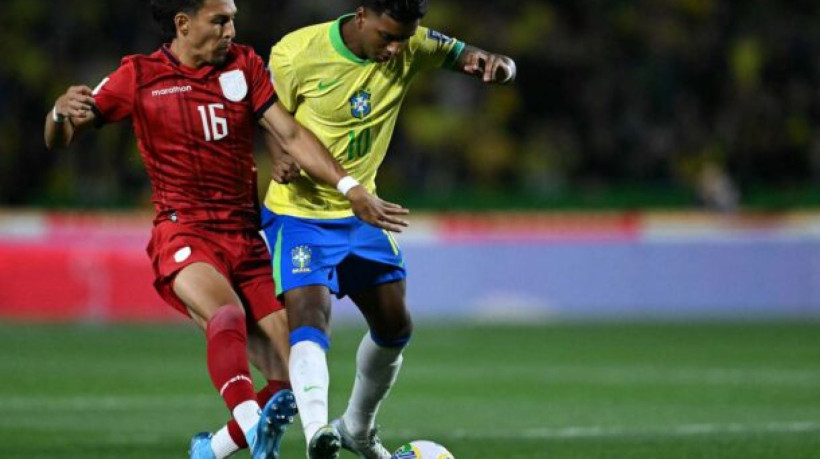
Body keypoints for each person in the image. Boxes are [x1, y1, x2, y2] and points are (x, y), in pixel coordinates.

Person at [43, 1, 409, 458]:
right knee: (227, 315)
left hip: (245, 236)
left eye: (232, 17)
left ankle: (211, 449)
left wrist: (349, 186)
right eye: (220, 20)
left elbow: (291, 134)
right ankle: (252, 426)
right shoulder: (138, 76)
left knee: (291, 378)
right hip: (185, 233)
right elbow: (62, 136)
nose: (231, 29)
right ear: (183, 23)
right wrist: (58, 115)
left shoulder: (244, 66)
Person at [257, 1, 516, 457]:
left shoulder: (414, 43)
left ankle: (357, 427)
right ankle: (318, 432)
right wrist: (278, 153)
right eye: (387, 37)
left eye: (404, 38)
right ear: (362, 16)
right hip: (300, 214)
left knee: (395, 325)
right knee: (309, 315)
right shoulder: (297, 52)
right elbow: (271, 116)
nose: (396, 49)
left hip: (363, 212)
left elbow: (470, 57)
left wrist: (497, 65)